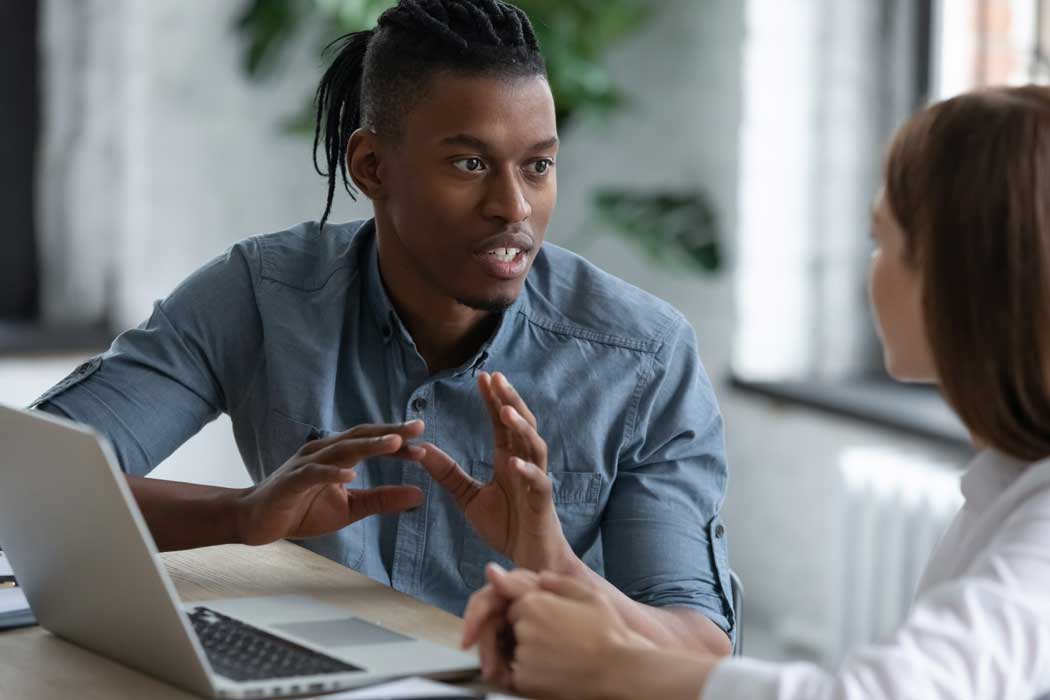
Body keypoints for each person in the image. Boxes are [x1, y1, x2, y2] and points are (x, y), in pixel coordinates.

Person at [30, 0, 734, 655]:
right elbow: (27, 481)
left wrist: (551, 558)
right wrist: (242, 517)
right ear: (372, 166)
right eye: (469, 163)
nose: (513, 206)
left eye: (538, 165)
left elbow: (698, 647)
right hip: (311, 673)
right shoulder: (263, 293)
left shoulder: (641, 356)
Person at [462, 84, 1050, 699]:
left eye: (883, 241)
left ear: (962, 276)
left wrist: (608, 666)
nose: (866, 270)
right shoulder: (1008, 481)